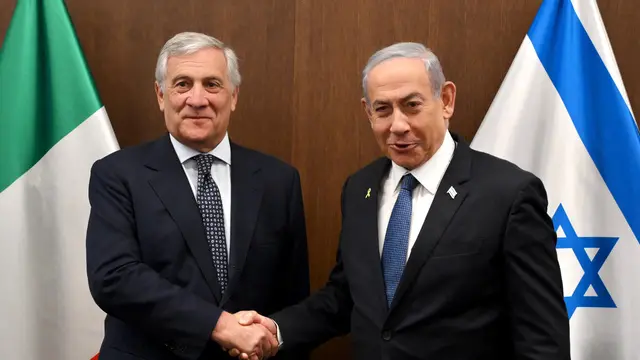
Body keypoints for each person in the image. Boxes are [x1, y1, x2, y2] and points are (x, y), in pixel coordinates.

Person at [232, 42, 570, 359]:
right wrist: (276, 329)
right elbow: (346, 296)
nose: (398, 125)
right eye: (383, 109)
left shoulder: (508, 193)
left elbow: (541, 338)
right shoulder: (359, 188)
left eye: (412, 105)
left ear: (447, 100)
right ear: (368, 112)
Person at [86, 32, 310, 360]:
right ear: (160, 95)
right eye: (182, 84)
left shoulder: (279, 181)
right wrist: (219, 325)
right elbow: (114, 277)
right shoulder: (117, 174)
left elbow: (292, 300)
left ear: (233, 96)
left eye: (212, 84)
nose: (197, 98)